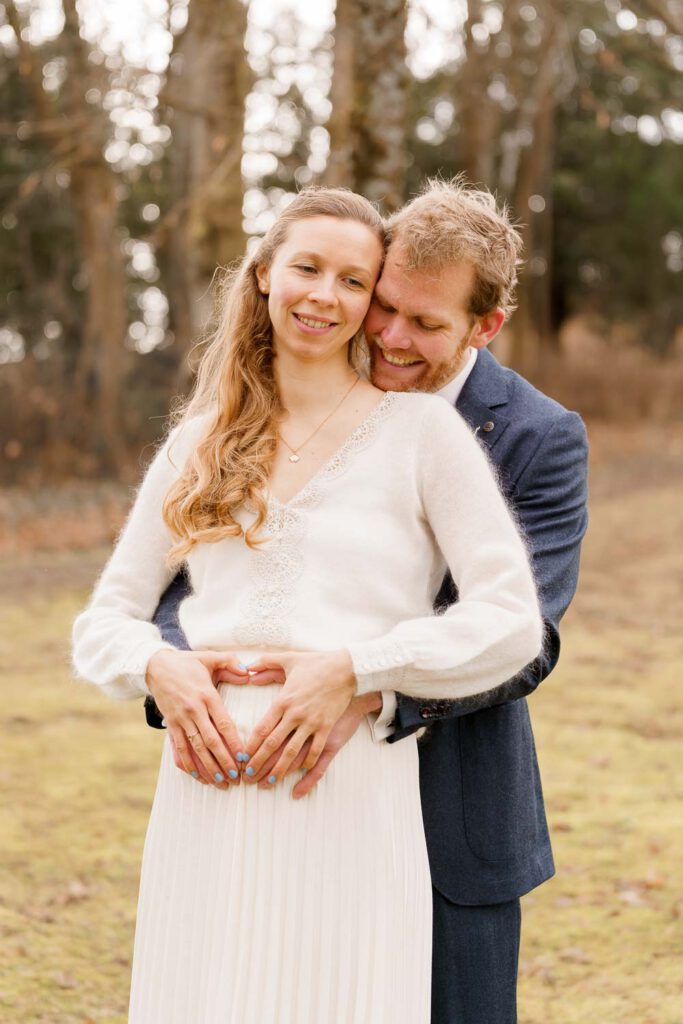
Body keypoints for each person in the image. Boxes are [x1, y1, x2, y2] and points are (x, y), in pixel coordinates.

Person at [71, 185, 543, 1024]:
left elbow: (510, 622)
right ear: (262, 276)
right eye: (307, 268)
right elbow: (105, 617)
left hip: (349, 786)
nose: (326, 295)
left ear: (369, 304)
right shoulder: (200, 440)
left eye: (353, 281)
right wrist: (159, 667)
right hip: (202, 791)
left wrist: (360, 667)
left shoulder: (421, 437)